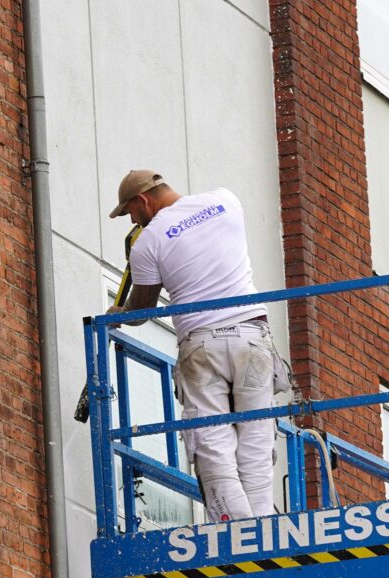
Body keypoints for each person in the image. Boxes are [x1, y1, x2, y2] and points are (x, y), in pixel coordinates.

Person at [105, 169, 276, 522]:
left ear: (143, 201)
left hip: (202, 346)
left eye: (130, 213)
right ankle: (263, 529)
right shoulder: (225, 200)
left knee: (212, 441)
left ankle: (237, 529)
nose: (132, 221)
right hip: (252, 334)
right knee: (257, 434)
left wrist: (118, 312)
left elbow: (141, 311)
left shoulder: (148, 242)